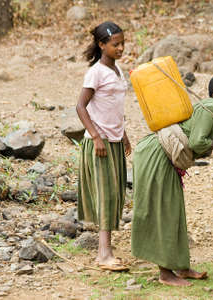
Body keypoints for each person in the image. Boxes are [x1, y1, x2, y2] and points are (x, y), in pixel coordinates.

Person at [131, 74, 213, 286]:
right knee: (166, 211)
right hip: (157, 155)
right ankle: (165, 273)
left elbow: (198, 144)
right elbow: (198, 143)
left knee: (175, 210)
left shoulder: (212, 110)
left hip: (160, 154)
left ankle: (181, 267)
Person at [76, 21, 131, 271]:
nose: (120, 48)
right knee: (105, 195)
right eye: (115, 44)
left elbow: (113, 108)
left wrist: (124, 134)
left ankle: (107, 250)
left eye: (122, 43)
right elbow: (81, 106)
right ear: (102, 45)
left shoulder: (117, 70)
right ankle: (103, 254)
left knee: (116, 194)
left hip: (116, 140)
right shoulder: (96, 72)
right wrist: (96, 136)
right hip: (100, 144)